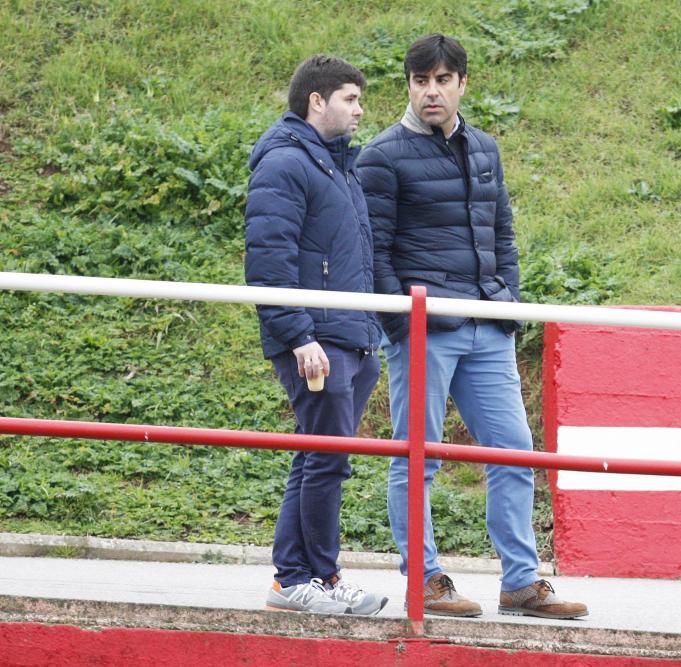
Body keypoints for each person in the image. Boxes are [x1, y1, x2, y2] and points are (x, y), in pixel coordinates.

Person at [358, 34, 588, 620]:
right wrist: (399, 320)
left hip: (488, 323)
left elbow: (502, 234)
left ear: (462, 83)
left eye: (441, 80)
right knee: (417, 457)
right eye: (419, 80)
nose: (430, 91)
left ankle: (521, 583)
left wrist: (506, 301)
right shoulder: (381, 156)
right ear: (408, 85)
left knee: (515, 451)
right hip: (425, 327)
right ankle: (426, 579)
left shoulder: (484, 147)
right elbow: (374, 251)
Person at [245, 55, 385, 616]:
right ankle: (317, 577)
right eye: (350, 98)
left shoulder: (335, 165)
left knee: (316, 456)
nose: (359, 109)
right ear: (316, 101)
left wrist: (370, 330)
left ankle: (294, 581)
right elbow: (268, 259)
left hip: (350, 336)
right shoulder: (286, 164)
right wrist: (300, 334)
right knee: (325, 458)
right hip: (317, 341)